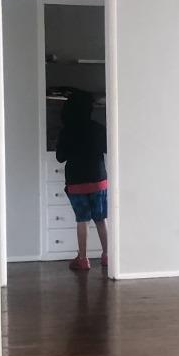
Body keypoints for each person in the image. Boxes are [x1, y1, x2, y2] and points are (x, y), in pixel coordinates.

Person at [54, 91, 108, 272]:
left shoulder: (66, 131)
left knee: (82, 220)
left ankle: (83, 259)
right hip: (98, 179)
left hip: (77, 181)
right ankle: (107, 255)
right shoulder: (98, 128)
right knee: (101, 219)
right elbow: (108, 148)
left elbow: (60, 158)